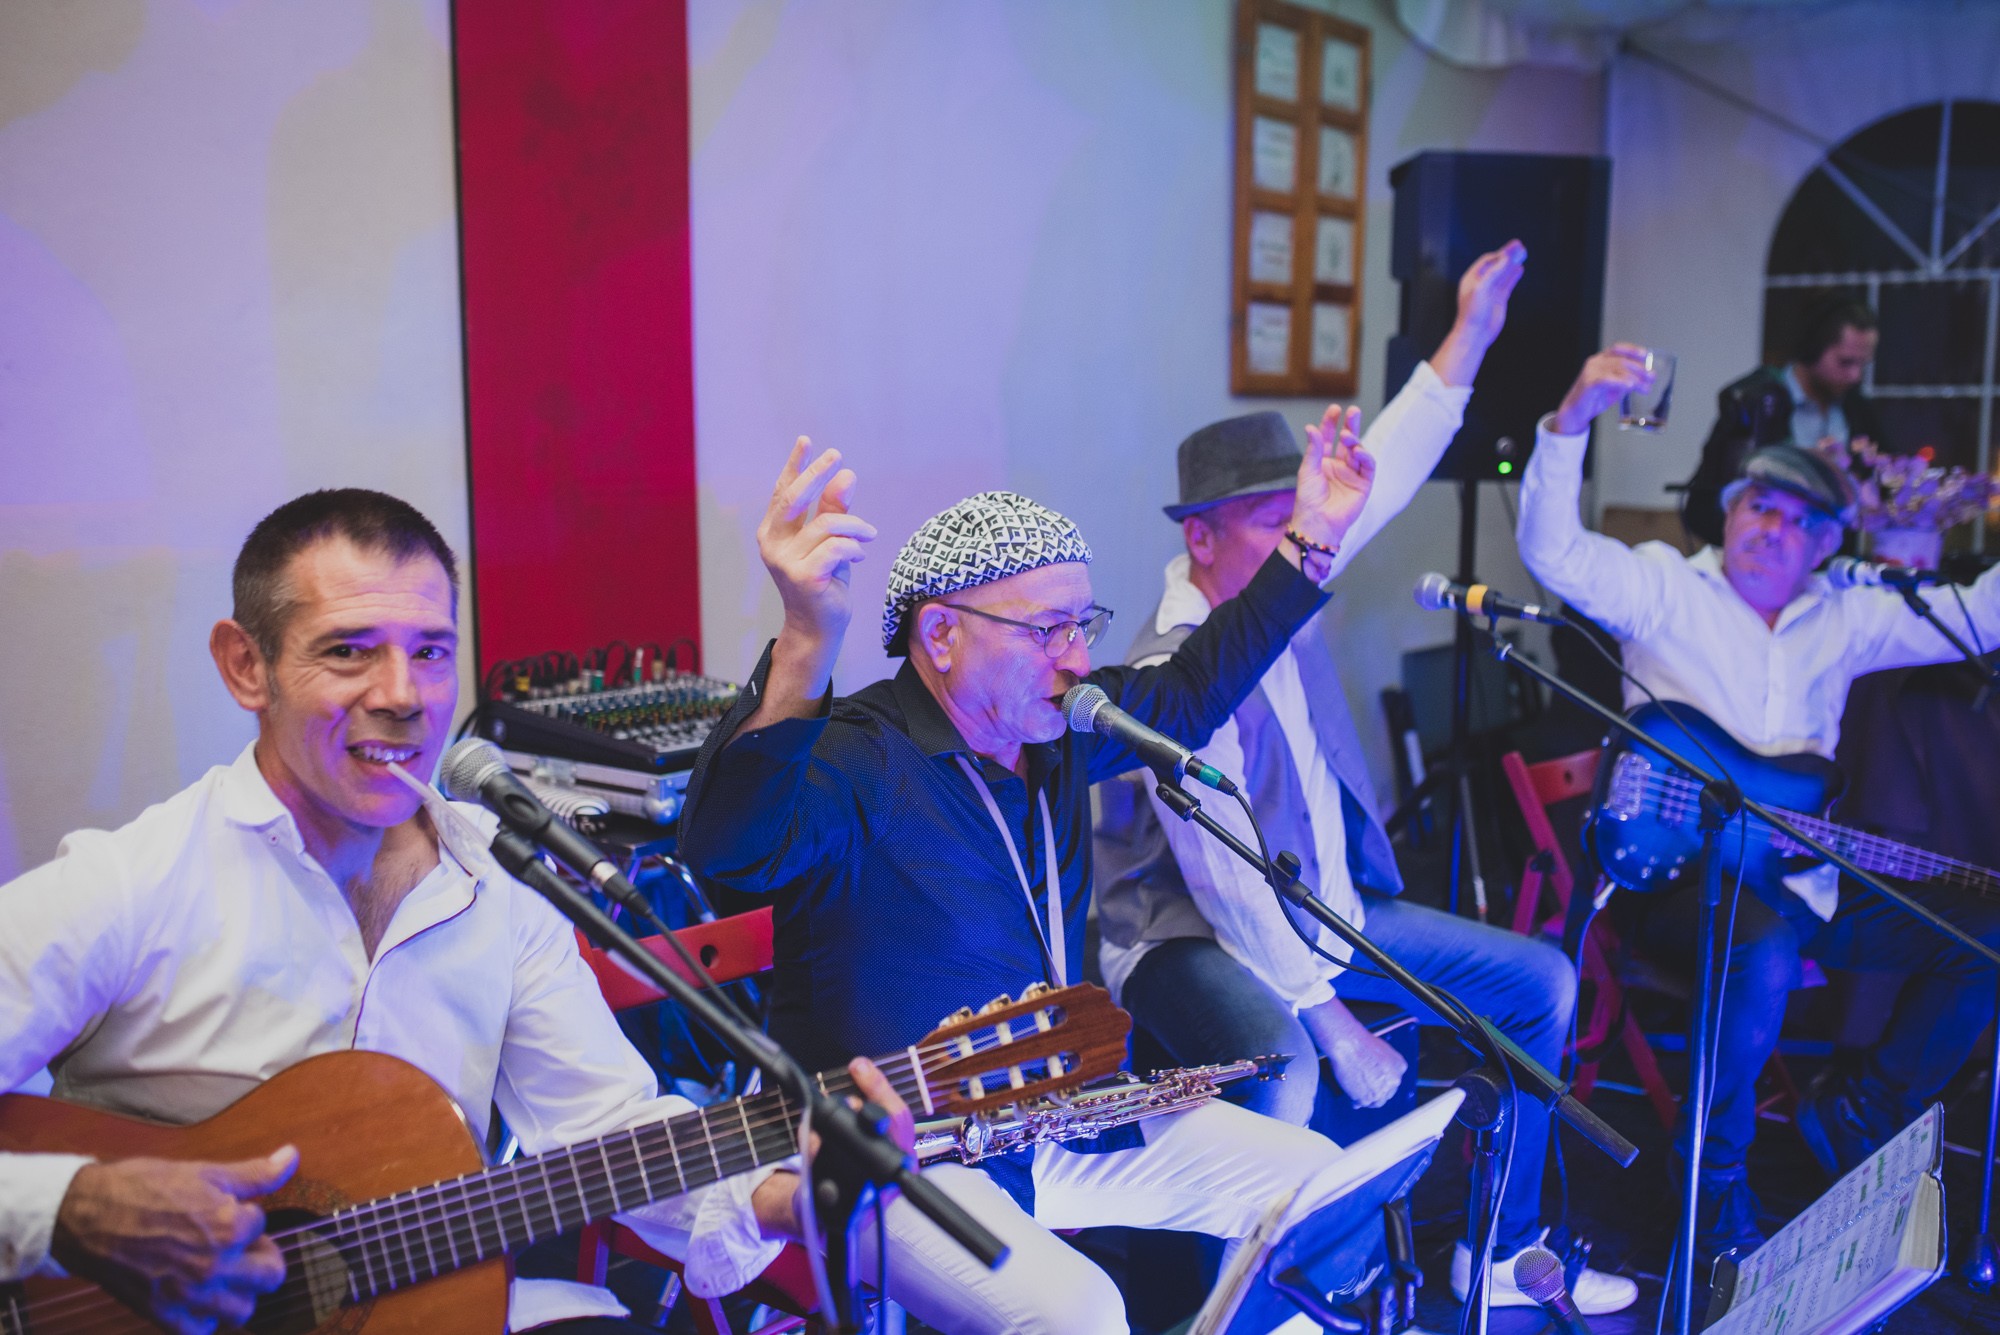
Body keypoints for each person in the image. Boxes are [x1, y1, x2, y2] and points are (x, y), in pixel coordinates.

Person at [0, 490, 910, 1335]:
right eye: (349, 650)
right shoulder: (134, 882)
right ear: (248, 665)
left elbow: (604, 1127)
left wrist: (788, 1198)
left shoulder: (497, 882)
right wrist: (70, 1208)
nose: (403, 695)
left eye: (431, 651)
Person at [677, 415, 1383, 1334]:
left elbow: (1192, 687)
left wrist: (1310, 537)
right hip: (897, 1150)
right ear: (941, 634)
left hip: (1053, 1113)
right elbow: (728, 848)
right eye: (1048, 629)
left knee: (1316, 1188)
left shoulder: (1054, 731)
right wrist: (808, 637)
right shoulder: (860, 754)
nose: (1078, 658)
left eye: (1082, 625)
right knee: (1086, 1309)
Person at [1092, 243, 1637, 1316]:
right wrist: (1331, 1021)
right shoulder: (1174, 662)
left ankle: (1497, 1247)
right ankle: (1255, 1309)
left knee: (1538, 985)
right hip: (1186, 933)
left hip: (1321, 911)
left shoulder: (1283, 572)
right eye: (1277, 520)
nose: (1311, 534)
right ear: (1201, 537)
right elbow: (1228, 880)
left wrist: (1468, 334)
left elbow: (1380, 466)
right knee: (1290, 1069)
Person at [1517, 346, 2000, 1259]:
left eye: (1799, 519)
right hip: (1677, 882)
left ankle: (1864, 1111)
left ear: (1827, 546)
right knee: (1763, 949)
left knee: (1987, 939)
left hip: (1802, 879)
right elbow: (1553, 551)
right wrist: (1570, 419)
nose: (1773, 528)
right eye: (1759, 506)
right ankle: (1710, 1188)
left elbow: (1980, 613)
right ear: (1730, 512)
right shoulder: (1665, 587)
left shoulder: (1848, 615)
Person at [1680, 296, 1885, 546]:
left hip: (1830, 558)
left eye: (1863, 365)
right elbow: (1705, 506)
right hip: (1764, 550)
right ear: (1812, 349)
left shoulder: (1857, 409)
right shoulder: (1756, 401)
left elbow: (1883, 480)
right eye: (1846, 362)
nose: (1855, 376)